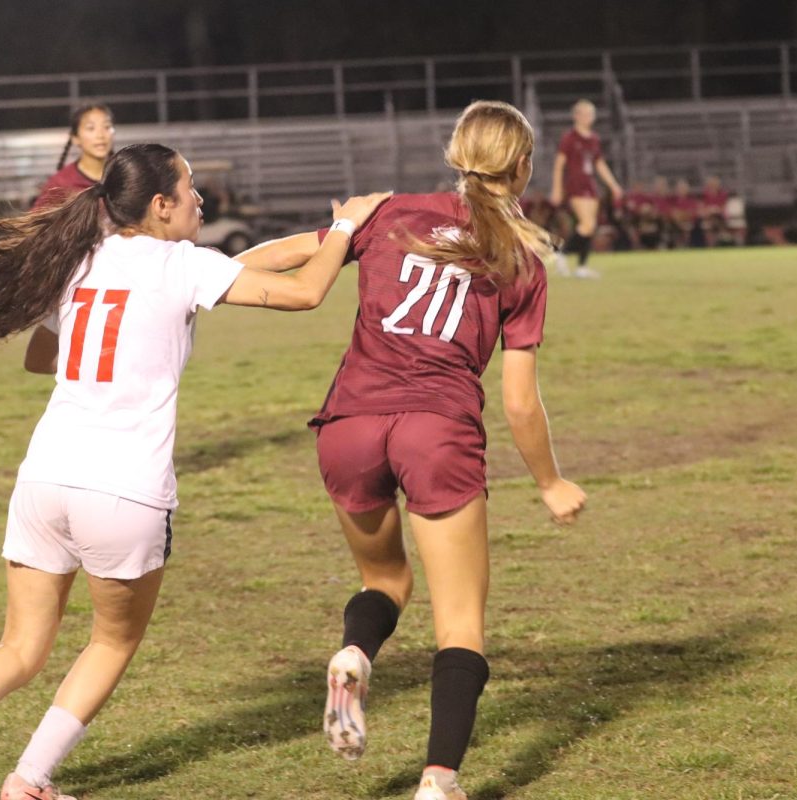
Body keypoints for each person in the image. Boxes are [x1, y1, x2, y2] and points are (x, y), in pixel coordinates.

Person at [0, 142, 390, 800]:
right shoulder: (182, 266)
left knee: (20, 647)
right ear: (160, 204)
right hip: (124, 490)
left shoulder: (84, 261)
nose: (200, 198)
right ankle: (28, 781)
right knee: (111, 642)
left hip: (45, 477)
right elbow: (308, 291)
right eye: (190, 186)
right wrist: (346, 227)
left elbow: (41, 359)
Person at [238, 100, 586, 800]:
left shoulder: (388, 210)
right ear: (522, 165)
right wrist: (549, 482)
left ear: (456, 154)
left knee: (386, 582)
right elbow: (519, 400)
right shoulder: (521, 256)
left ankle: (355, 653)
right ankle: (438, 780)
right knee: (460, 623)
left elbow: (284, 255)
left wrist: (195, 279)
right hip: (437, 431)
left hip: (348, 427)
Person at [549, 99, 623, 278]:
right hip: (576, 184)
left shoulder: (594, 139)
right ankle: (561, 254)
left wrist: (613, 184)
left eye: (590, 114)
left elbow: (599, 164)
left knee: (590, 226)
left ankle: (581, 267)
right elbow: (559, 164)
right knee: (587, 224)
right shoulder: (570, 138)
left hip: (590, 184)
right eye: (584, 113)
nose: (588, 117)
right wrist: (557, 188)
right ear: (576, 116)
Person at [32, 104, 115, 209]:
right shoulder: (61, 183)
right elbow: (38, 221)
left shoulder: (123, 176)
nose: (101, 135)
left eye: (107, 127)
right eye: (91, 128)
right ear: (75, 138)